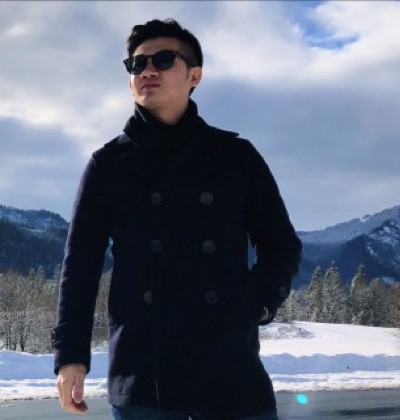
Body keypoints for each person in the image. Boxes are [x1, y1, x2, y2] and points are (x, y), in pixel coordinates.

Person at [52, 18, 302, 420]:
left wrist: (254, 305)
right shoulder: (108, 165)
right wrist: (70, 356)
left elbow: (281, 244)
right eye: (137, 64)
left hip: (230, 370)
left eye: (164, 60)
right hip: (144, 376)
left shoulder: (236, 157)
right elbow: (80, 266)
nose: (148, 70)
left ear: (194, 76)